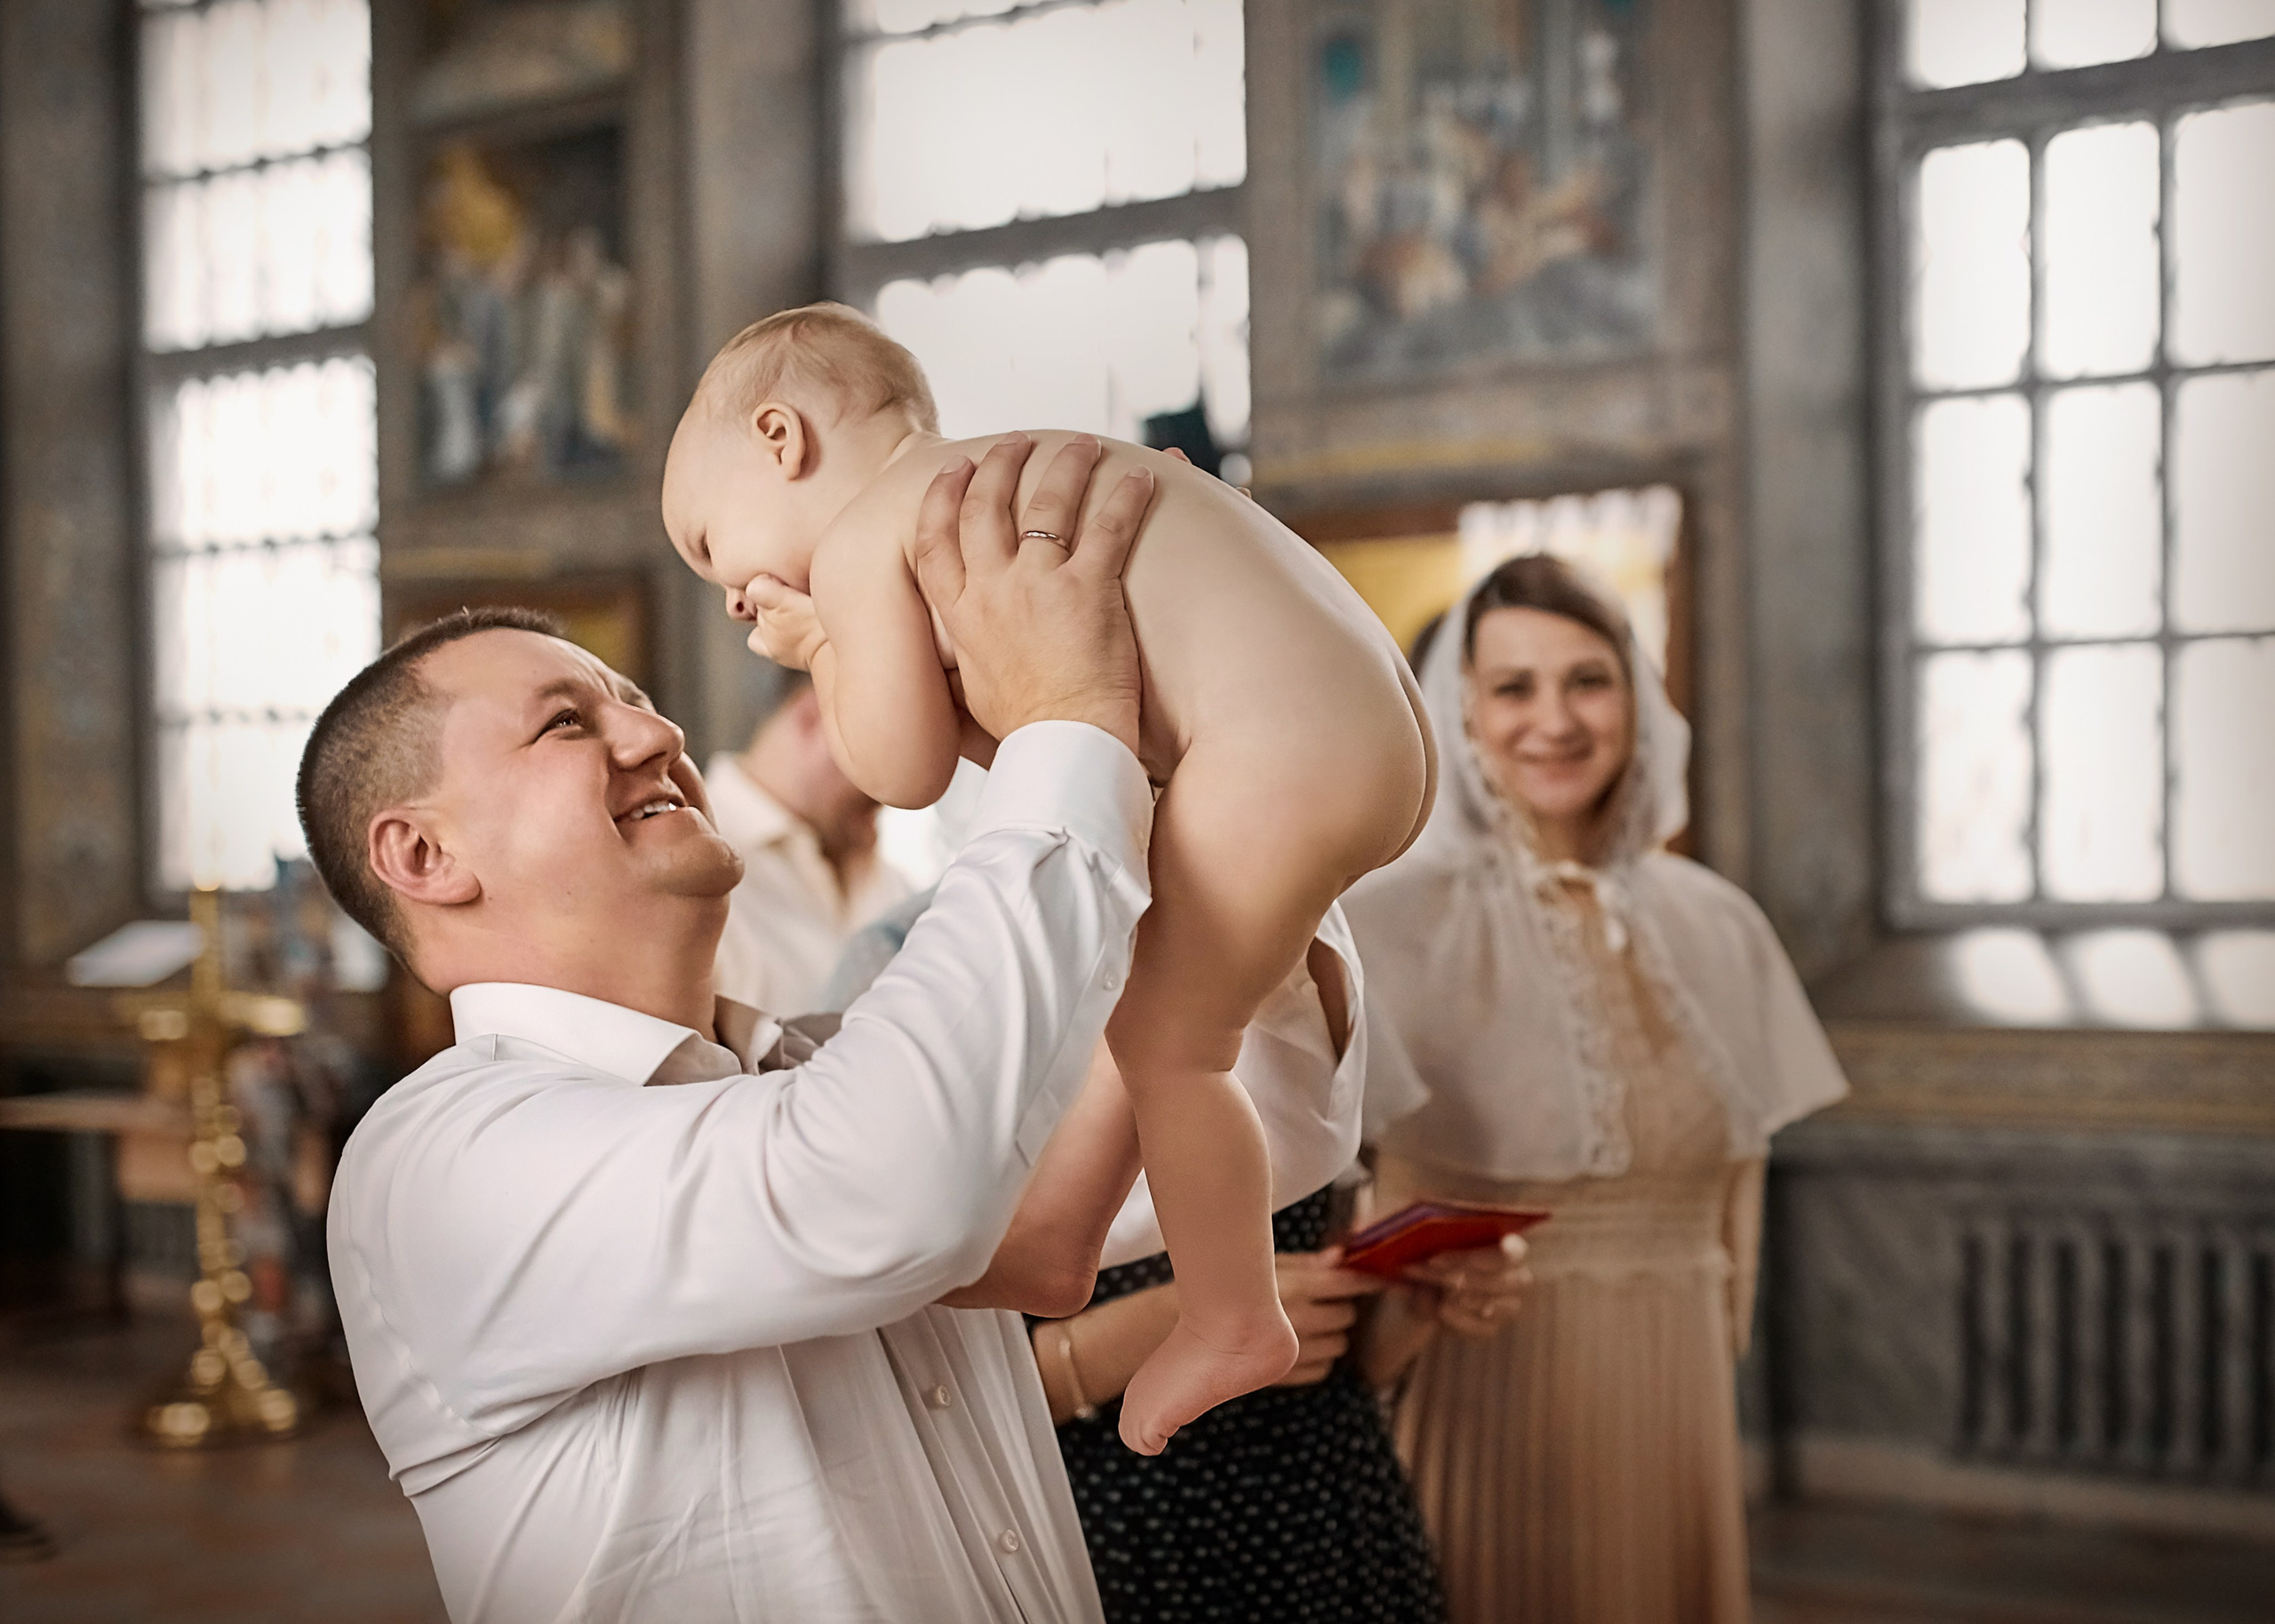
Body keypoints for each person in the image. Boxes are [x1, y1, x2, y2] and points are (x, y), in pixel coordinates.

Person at [304, 440, 1309, 1623]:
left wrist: (1212, 738)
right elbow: (889, 1190)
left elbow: (1048, 1240)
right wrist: (1064, 724)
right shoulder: (438, 1164)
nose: (655, 734)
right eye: (567, 725)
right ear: (424, 856)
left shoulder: (824, 1063)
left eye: (634, 700)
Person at [662, 303, 1436, 1453]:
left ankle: (1234, 1315)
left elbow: (902, 764)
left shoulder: (883, 525)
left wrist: (821, 640)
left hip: (1278, 749)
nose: (732, 599)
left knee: (1171, 1045)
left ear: (782, 440)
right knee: (1171, 996)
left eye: (714, 549)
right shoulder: (1022, 480)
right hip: (1374, 729)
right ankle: (1232, 1307)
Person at [1345, 555, 1849, 1624]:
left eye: (1587, 679)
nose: (1554, 720)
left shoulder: (1720, 923)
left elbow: (1738, 1207)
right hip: (1476, 1397)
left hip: (1675, 1403)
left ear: (1636, 697)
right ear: (1463, 712)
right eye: (1514, 687)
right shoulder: (1386, 922)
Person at [707, 667, 913, 1015]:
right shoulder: (695, 875)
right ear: (817, 716)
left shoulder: (894, 882)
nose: (898, 792)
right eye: (898, 748)